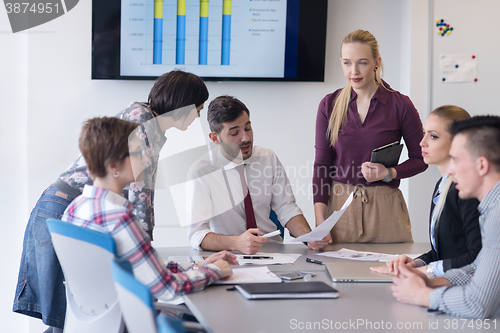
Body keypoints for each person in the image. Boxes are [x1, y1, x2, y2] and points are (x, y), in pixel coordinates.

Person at [13, 70, 208, 331]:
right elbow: (142, 191)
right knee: (72, 314)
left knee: (75, 315)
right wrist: (144, 246)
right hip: (63, 204)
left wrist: (146, 252)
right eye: (198, 108)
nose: (198, 116)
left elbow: (142, 191)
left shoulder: (150, 123)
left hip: (66, 205)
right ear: (183, 104)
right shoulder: (142, 120)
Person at [62, 117, 236, 302]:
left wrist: (197, 266)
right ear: (113, 165)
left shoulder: (74, 208)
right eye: (138, 153)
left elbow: (144, 269)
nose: (146, 158)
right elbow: (168, 288)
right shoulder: (119, 219)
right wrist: (214, 271)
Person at [313, 29, 427, 243]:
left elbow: (421, 159)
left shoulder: (400, 105)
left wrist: (389, 172)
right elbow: (321, 165)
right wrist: (320, 220)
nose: (353, 71)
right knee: (339, 274)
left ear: (377, 62)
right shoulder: (329, 104)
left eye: (362, 62)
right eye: (347, 63)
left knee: (391, 274)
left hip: (385, 208)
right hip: (339, 208)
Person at [187, 95, 330, 254]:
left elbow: (286, 208)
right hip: (228, 256)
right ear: (215, 138)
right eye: (235, 133)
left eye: (247, 128)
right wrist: (237, 243)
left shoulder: (267, 158)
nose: (245, 138)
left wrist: (309, 237)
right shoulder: (201, 172)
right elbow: (197, 234)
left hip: (273, 254)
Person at [391, 115, 500, 318]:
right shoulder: (491, 207)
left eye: (456, 160)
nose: (450, 170)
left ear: (482, 166)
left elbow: (477, 304)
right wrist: (430, 280)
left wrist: (421, 295)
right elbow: (476, 267)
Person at [371, 105, 481, 277]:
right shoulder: (442, 186)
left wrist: (425, 271)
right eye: (424, 134)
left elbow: (475, 258)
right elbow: (445, 252)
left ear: (458, 142)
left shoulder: (468, 191)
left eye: (433, 136)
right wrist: (415, 263)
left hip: (464, 290)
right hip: (445, 283)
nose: (422, 142)